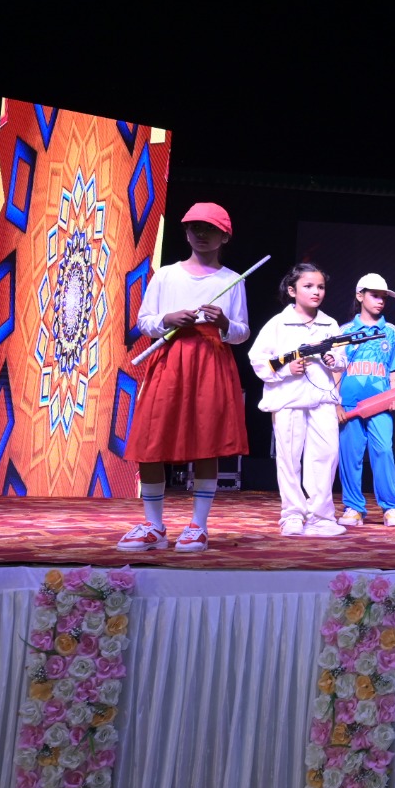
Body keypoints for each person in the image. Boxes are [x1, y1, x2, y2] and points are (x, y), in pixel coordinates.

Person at [116, 203, 250, 553]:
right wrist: (169, 319)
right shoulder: (166, 275)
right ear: (187, 232)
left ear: (225, 236)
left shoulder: (231, 280)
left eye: (210, 229)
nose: (201, 234)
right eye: (195, 227)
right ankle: (154, 525)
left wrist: (224, 323)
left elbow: (241, 332)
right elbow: (144, 321)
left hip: (210, 362)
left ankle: (198, 526)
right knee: (151, 440)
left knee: (207, 440)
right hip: (169, 361)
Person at [250, 263, 349, 538]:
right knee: (289, 459)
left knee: (326, 455)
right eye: (308, 286)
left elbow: (342, 358)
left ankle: (321, 516)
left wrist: (332, 359)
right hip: (289, 399)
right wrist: (285, 369)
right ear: (292, 291)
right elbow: (258, 359)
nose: (316, 292)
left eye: (320, 287)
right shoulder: (278, 323)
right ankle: (292, 514)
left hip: (322, 399)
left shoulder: (330, 324)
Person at [337, 274, 395, 528]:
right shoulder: (344, 331)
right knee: (350, 455)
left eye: (383, 297)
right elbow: (336, 370)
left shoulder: (391, 331)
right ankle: (353, 507)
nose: (380, 301)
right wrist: (336, 403)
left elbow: (394, 369)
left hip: (380, 404)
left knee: (383, 450)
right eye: (374, 295)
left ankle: (391, 507)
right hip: (349, 404)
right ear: (360, 296)